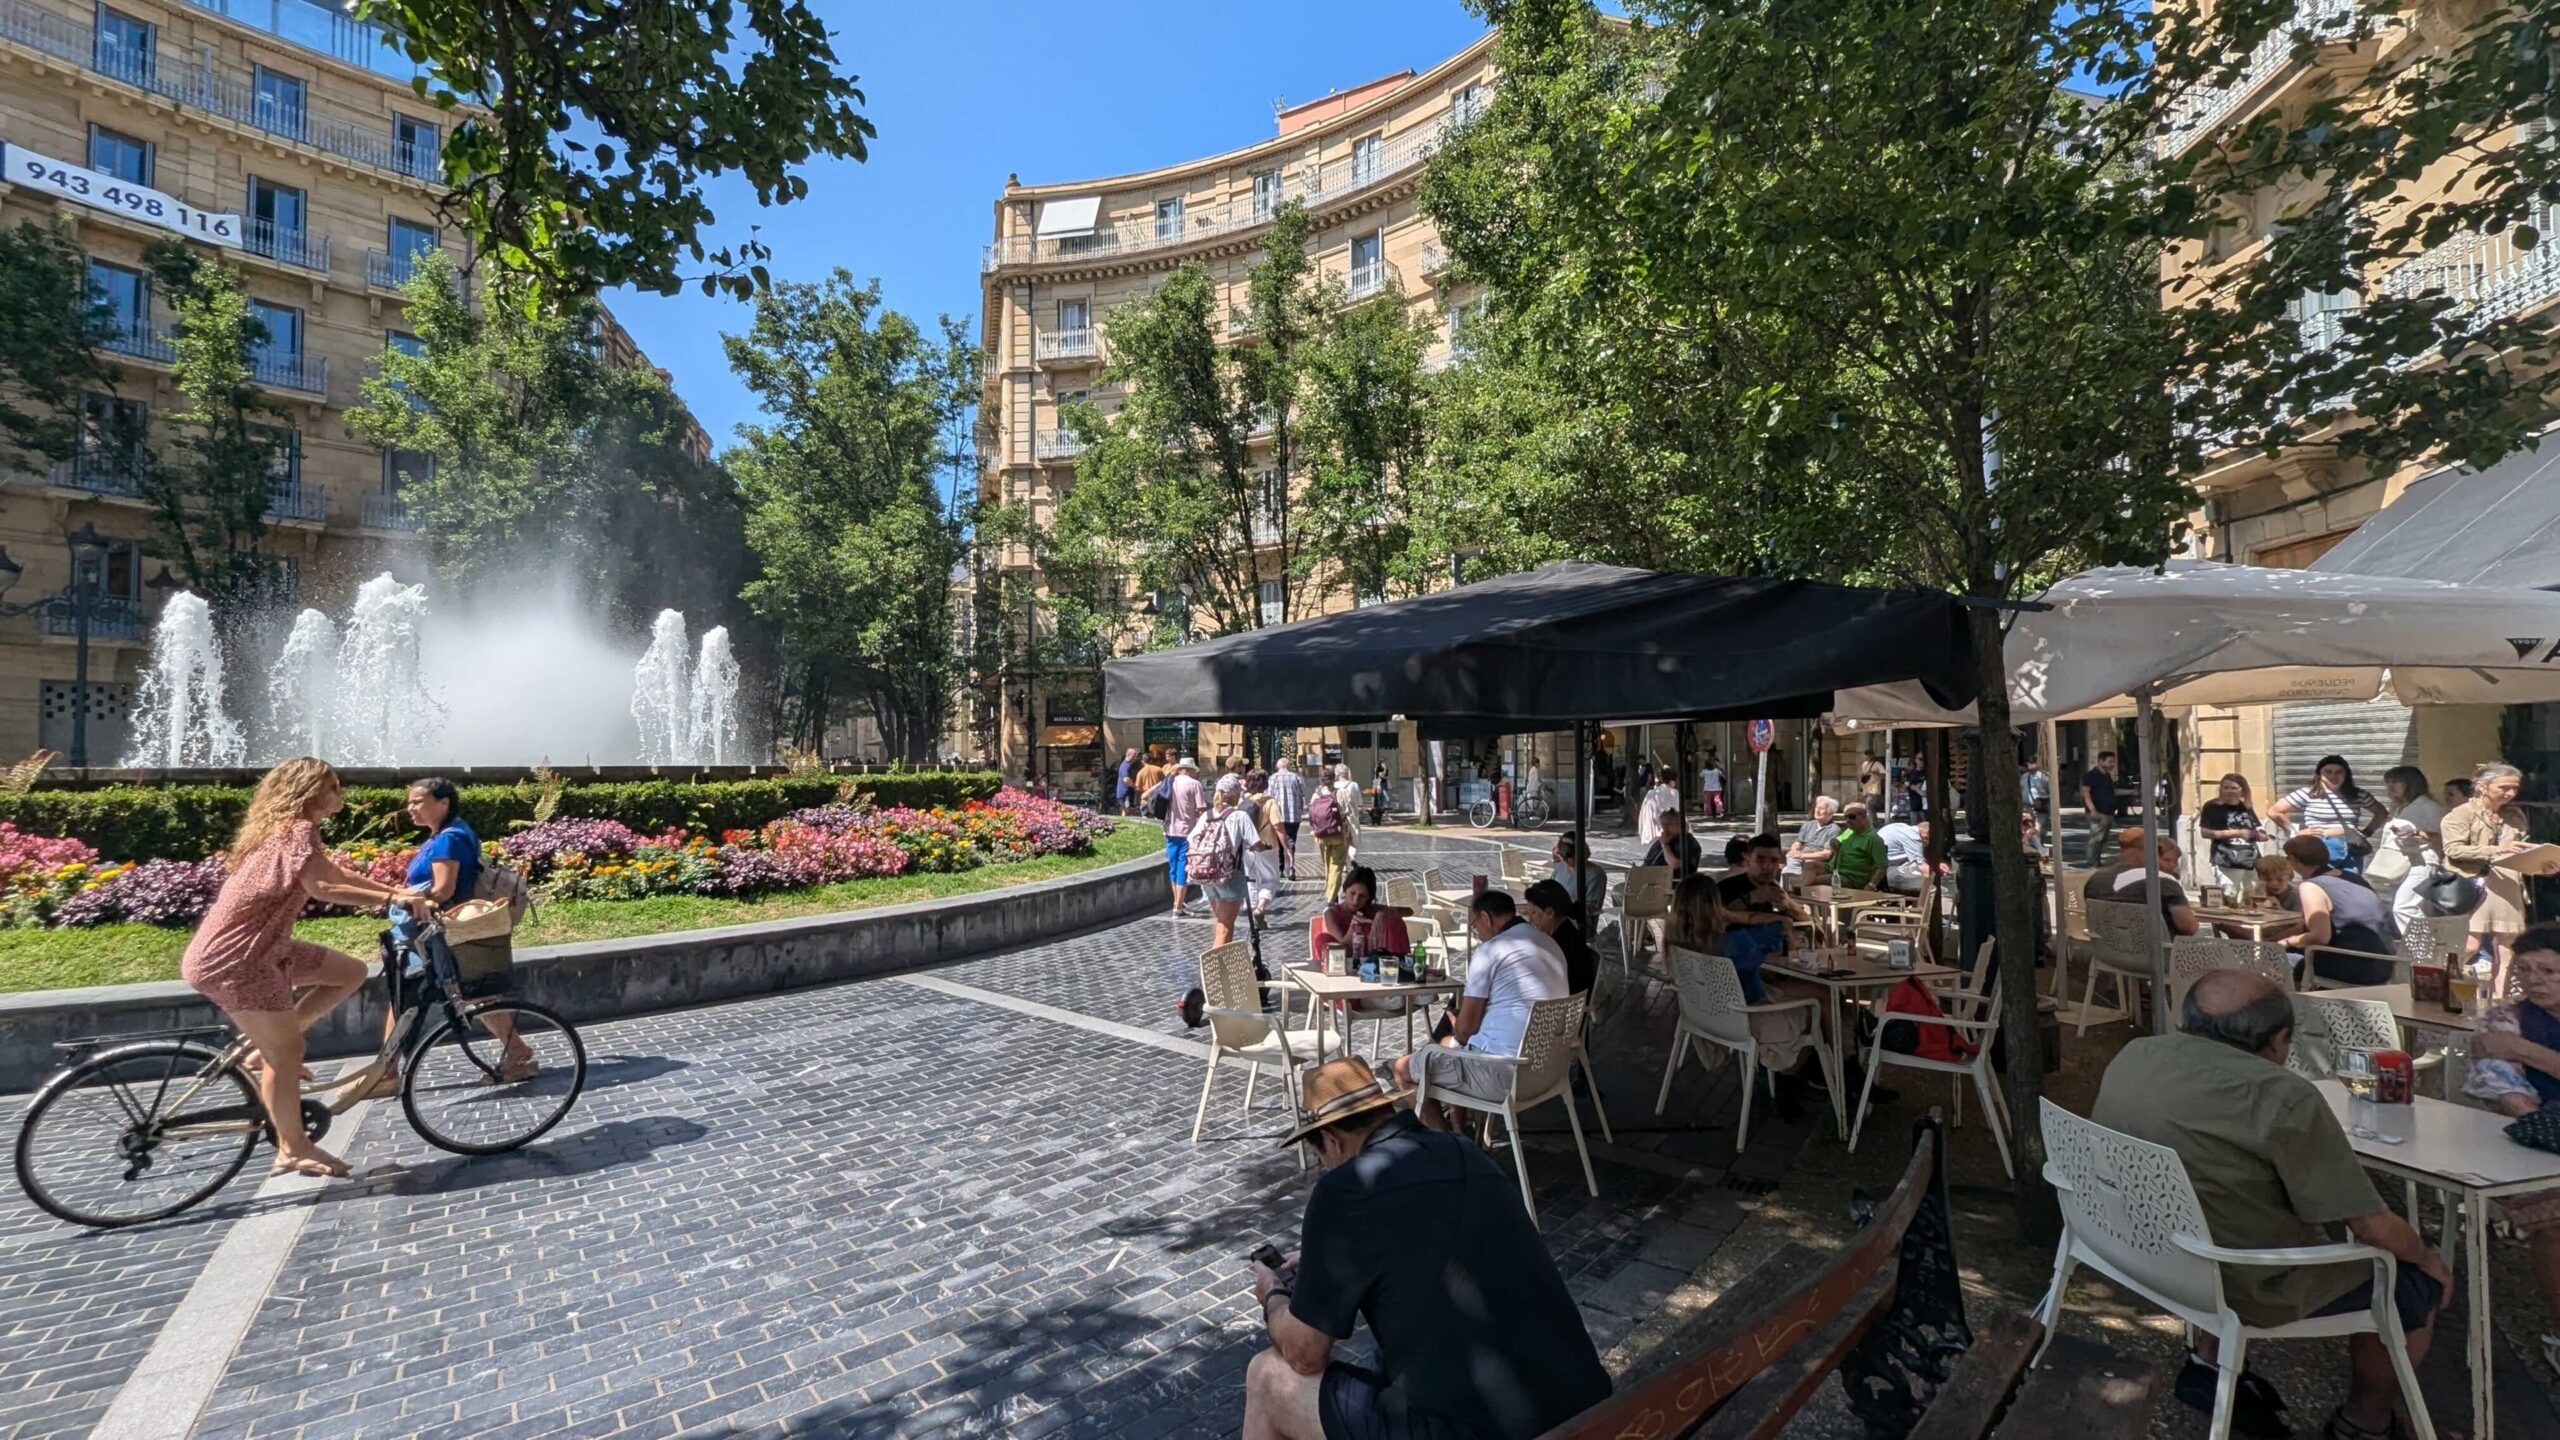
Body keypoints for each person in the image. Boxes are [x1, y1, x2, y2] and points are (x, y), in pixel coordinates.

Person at [2094, 970, 2448, 1440]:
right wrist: (2430, 1259)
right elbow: (2372, 1228)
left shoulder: (2136, 1053)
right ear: (2279, 1040)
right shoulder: (2281, 1095)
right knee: (2410, 1282)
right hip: (2239, 1280)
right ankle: (2366, 1423)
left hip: (2134, 1245)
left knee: (2225, 1205)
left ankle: (2209, 1360)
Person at [1244, 1056, 1612, 1440]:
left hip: (1478, 1430)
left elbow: (1305, 1353)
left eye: (1321, 1159)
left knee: (1268, 1376)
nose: (1324, 1169)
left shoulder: (1344, 1190)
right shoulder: (1462, 1151)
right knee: (1384, 1366)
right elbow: (1422, 1242)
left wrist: (1273, 1294)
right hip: (1586, 1409)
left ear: (1334, 1141)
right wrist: (1322, 1264)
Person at [179, 758, 435, 1179]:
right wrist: (392, 902)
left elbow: (331, 873)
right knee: (285, 1054)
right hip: (238, 959)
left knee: (349, 972)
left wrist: (397, 891)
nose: (341, 793)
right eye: (333, 786)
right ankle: (293, 1148)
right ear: (309, 791)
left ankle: (271, 1052)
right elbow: (324, 888)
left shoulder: (288, 830)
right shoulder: (295, 829)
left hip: (264, 949)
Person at [378, 776, 533, 1092]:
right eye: (409, 802)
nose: (410, 808)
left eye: (417, 801)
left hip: (437, 931)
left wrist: (405, 899)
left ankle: (385, 1072)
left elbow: (443, 889)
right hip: (442, 930)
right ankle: (517, 1053)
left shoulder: (449, 838)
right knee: (469, 995)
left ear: (443, 803)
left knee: (408, 995)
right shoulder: (447, 834)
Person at [2460, 926, 2560, 1373]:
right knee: (2556, 1222)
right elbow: (2517, 1104)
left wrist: (2525, 1051)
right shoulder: (2503, 1020)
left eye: (2549, 970)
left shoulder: (2514, 1034)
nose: (2534, 979)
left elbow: (2512, 1058)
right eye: (2525, 970)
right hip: (2529, 1152)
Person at [1391, 892, 1567, 1133]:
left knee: (1403, 1068)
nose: (1478, 934)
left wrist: (1458, 1025)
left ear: (1486, 918)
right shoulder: (1550, 943)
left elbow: (1465, 1030)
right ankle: (1459, 1131)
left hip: (1502, 1073)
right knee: (1448, 1046)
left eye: (1475, 926)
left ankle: (1451, 1148)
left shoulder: (1491, 951)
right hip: (1548, 1069)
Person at [1672, 871, 1813, 1112]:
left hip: (1706, 1016)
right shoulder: (1736, 943)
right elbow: (1773, 950)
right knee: (1818, 1005)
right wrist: (1782, 924)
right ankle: (1794, 1075)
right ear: (1716, 905)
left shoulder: (1676, 943)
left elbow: (1744, 920)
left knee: (1805, 994)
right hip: (1744, 1017)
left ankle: (1803, 1075)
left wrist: (1737, 915)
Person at [2445, 762, 2537, 997]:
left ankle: (2499, 1001)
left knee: (2508, 948)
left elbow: (2521, 847)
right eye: (2504, 787)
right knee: (2470, 945)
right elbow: (2454, 850)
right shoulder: (2462, 813)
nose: (2510, 794)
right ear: (2483, 786)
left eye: (2514, 788)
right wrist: (2495, 850)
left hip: (2509, 882)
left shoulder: (2514, 815)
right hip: (2477, 884)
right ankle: (2442, 986)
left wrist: (2539, 862)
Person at [2285, 834, 2399, 986]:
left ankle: (2298, 1007)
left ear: (2294, 860)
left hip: (2351, 966)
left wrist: (2286, 942)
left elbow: (2320, 937)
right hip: (2385, 962)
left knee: (2276, 960)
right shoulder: (2353, 878)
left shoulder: (2311, 886)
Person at [2269, 754, 2389, 882]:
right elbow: (2274, 812)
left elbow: (2381, 813)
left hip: (2351, 848)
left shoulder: (2357, 794)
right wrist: (2295, 832)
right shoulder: (2308, 793)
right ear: (2319, 774)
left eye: (2339, 772)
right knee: (2320, 885)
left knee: (2350, 885)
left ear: (2346, 774)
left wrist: (2367, 832)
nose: (2333, 776)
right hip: (2319, 848)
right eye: (2328, 772)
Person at [2084, 827, 2201, 938]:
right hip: (2158, 954)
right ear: (2148, 850)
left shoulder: (2096, 879)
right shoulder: (2162, 881)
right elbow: (2189, 927)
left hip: (2107, 953)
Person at [1717, 834, 1808, 975]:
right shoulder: (1726, 887)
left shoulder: (1773, 887)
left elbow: (1804, 918)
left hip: (1773, 962)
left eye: (1773, 861)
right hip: (1737, 965)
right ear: (1747, 859)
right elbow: (1716, 915)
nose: (1767, 866)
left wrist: (1789, 905)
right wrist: (1751, 898)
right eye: (1760, 859)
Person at [1197, 774, 1264, 948]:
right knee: (1225, 927)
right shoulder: (1240, 816)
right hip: (1230, 875)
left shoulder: (1207, 815)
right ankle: (1214, 970)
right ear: (1233, 794)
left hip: (1207, 875)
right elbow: (1255, 843)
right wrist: (1263, 846)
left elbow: (1192, 840)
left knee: (1222, 922)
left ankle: (1225, 962)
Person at [2377, 765, 2445, 931]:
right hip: (2399, 865)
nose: (2391, 786)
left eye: (2397, 781)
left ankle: (2422, 952)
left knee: (2404, 907)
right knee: (2418, 909)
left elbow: (2443, 839)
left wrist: (2417, 833)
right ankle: (2425, 949)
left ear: (2411, 783)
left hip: (2422, 863)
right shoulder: (2397, 808)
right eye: (2389, 782)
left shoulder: (2429, 807)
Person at [1311, 864, 1412, 970]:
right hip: (1342, 962)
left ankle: (1400, 964)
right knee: (1322, 938)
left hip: (1371, 960)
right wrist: (1353, 927)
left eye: (1362, 896)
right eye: (1352, 893)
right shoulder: (1332, 913)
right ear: (1345, 890)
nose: (1355, 900)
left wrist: (1381, 914)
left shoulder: (1369, 909)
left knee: (1392, 920)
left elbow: (1409, 911)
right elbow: (1343, 947)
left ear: (1369, 897)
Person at [2197, 773, 2270, 901]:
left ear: (2243, 790)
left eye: (2234, 788)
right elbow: (2206, 833)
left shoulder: (2245, 807)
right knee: (2229, 896)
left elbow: (2255, 827)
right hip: (2227, 858)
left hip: (2250, 858)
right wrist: (2238, 833)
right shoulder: (2212, 807)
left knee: (2253, 896)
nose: (2229, 791)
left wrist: (2260, 835)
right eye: (2226, 787)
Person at [1520, 878, 1599, 996]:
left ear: (1550, 912)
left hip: (1563, 1005)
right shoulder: (1565, 933)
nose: (1530, 920)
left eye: (1534, 913)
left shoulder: (1560, 944)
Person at [1312, 764, 1363, 903]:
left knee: (1328, 865)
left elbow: (1312, 815)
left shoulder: (1316, 794)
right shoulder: (1341, 793)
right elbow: (1351, 813)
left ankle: (1330, 891)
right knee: (1337, 866)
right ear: (1333, 778)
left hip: (1321, 835)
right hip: (1339, 835)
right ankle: (1331, 896)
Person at [1164, 756, 1208, 918]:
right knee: (1183, 868)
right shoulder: (1194, 784)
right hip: (1187, 831)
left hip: (1169, 830)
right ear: (1189, 770)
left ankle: (1178, 903)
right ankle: (1177, 908)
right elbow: (1201, 809)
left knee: (1173, 867)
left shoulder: (1170, 782)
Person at [1243, 771, 1288, 924]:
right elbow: (1278, 827)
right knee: (1270, 880)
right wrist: (1287, 849)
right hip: (1267, 848)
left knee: (1251, 880)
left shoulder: (1242, 802)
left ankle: (1253, 914)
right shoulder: (1270, 803)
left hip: (1247, 848)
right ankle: (1260, 908)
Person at [2080, 751, 2126, 865]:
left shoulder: (2107, 776)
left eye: (2113, 762)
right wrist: (2093, 810)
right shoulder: (2091, 776)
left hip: (2108, 812)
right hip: (2098, 812)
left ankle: (2097, 861)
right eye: (2109, 761)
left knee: (2102, 839)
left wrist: (2131, 791)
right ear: (2100, 761)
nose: (2112, 764)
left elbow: (2113, 792)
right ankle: (2092, 863)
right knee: (2095, 839)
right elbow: (2086, 793)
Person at [1266, 756, 1307, 880]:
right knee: (1290, 842)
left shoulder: (1273, 778)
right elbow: (1301, 796)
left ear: (1278, 766)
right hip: (1293, 815)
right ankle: (1290, 868)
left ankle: (1280, 869)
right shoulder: (1296, 778)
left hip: (1277, 816)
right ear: (1288, 766)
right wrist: (1301, 811)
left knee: (1278, 842)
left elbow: (1269, 797)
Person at [1640, 806, 1705, 884]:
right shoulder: (1660, 841)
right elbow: (1648, 861)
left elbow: (1674, 864)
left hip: (1675, 885)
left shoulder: (1688, 842)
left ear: (1680, 825)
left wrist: (1665, 845)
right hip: (1651, 881)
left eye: (1669, 824)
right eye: (1662, 824)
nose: (1664, 827)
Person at [1783, 795, 1840, 881]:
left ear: (1830, 812)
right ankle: (1791, 887)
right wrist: (1794, 852)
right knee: (1787, 867)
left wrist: (1802, 856)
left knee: (1792, 868)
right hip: (1802, 858)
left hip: (1819, 861)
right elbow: (1798, 842)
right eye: (1816, 807)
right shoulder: (1808, 824)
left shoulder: (1834, 829)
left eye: (1821, 808)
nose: (1817, 810)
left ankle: (1795, 887)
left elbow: (1826, 854)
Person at [1831, 803, 1886, 890]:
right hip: (1836, 870)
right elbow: (1835, 844)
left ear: (1864, 817)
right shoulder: (1849, 831)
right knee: (1810, 867)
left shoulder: (1873, 839)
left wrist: (1871, 885)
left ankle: (1808, 900)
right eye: (1846, 817)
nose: (1848, 820)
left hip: (1853, 877)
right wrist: (1833, 843)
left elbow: (1882, 866)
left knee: (1815, 879)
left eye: (1852, 817)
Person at [1549, 833, 1605, 910]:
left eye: (1568, 856)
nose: (1564, 860)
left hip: (1577, 919)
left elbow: (1592, 907)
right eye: (1561, 855)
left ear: (1580, 853)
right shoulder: (1560, 867)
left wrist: (1564, 908)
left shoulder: (1595, 875)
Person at [1877, 817, 1931, 895]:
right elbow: (1922, 866)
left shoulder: (1900, 827)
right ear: (1927, 832)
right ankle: (1919, 905)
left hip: (1878, 867)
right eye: (1928, 839)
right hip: (1885, 872)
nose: (1927, 842)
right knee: (1920, 886)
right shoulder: (1914, 837)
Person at [1636, 767, 1680, 848]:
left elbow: (1643, 814)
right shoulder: (1674, 793)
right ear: (1672, 781)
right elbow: (1677, 812)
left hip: (1653, 832)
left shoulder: (1650, 793)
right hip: (1670, 831)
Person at [1115, 747, 1141, 816]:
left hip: (1126, 793)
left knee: (1127, 810)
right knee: (1126, 810)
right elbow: (1126, 779)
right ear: (1128, 755)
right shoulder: (1125, 766)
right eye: (1134, 755)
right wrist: (1134, 786)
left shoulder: (1128, 765)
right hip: (1125, 793)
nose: (1135, 757)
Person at [1371, 761, 1391, 826]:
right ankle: (1382, 815)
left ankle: (1386, 815)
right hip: (1379, 785)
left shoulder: (1386, 769)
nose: (1384, 765)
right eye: (1383, 763)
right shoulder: (1378, 769)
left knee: (1385, 799)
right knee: (1383, 799)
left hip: (1384, 785)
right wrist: (1385, 770)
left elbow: (1387, 776)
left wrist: (1386, 774)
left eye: (1385, 764)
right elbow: (1382, 775)